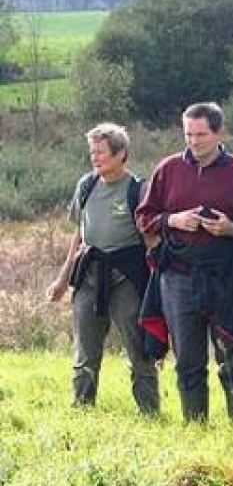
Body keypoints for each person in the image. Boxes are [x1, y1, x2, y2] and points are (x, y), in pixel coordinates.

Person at [135, 102, 233, 423]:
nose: (194, 142)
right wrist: (173, 220)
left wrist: (232, 228)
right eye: (188, 134)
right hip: (178, 277)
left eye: (201, 135)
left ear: (219, 132)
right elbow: (143, 217)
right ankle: (195, 431)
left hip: (227, 276)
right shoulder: (168, 169)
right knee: (189, 362)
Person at [46, 122, 159, 415]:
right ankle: (83, 409)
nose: (95, 158)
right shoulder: (86, 186)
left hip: (126, 279)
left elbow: (151, 240)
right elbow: (79, 235)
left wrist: (161, 285)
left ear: (121, 153)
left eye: (101, 152)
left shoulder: (138, 190)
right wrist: (62, 280)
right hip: (89, 277)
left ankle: (149, 412)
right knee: (85, 349)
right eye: (92, 153)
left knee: (138, 348)